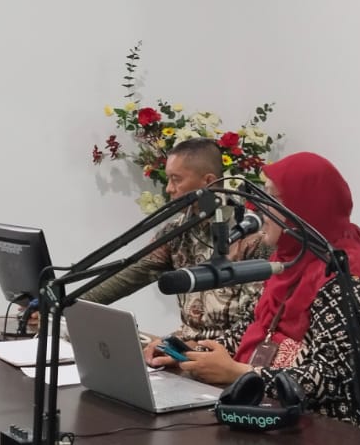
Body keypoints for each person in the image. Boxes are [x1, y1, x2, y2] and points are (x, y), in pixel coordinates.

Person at [153, 151, 360, 428]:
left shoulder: (348, 276)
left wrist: (238, 373)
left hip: (327, 432)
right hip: (266, 413)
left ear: (305, 207)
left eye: (273, 199)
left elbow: (337, 378)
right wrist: (190, 353)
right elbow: (251, 329)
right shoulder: (289, 261)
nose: (261, 210)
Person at [78, 138, 269, 343]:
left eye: (176, 179)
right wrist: (70, 307)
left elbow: (257, 321)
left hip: (230, 354)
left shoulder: (251, 234)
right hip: (186, 347)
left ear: (208, 181)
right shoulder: (176, 230)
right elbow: (130, 276)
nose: (169, 188)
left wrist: (192, 351)